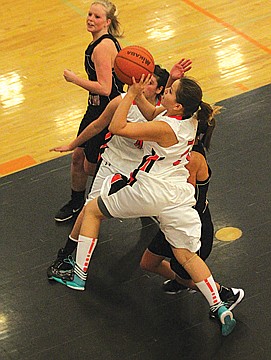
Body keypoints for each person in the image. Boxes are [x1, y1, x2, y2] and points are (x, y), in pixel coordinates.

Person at [49, 74, 237, 336]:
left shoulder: (166, 128)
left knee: (92, 210)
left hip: (153, 189)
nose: (166, 93)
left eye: (170, 91)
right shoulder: (190, 118)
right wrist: (136, 92)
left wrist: (128, 96)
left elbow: (117, 127)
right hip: (177, 195)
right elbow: (151, 113)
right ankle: (220, 306)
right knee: (186, 255)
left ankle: (78, 275)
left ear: (177, 106)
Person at [48, 64, 171, 277]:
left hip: (140, 170)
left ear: (160, 90)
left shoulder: (162, 113)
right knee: (89, 209)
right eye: (143, 80)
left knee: (164, 207)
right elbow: (98, 125)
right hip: (113, 163)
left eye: (150, 83)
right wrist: (72, 144)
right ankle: (67, 255)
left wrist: (175, 78)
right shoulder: (121, 101)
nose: (143, 86)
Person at [140, 131, 245, 316]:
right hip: (174, 223)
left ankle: (225, 294)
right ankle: (182, 281)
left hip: (190, 226)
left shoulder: (191, 158)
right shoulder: (185, 150)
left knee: (183, 270)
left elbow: (183, 198)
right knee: (148, 263)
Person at [54, 1, 124, 223]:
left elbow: (105, 88)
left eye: (97, 16)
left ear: (107, 22)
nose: (91, 19)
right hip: (94, 107)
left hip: (106, 109)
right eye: (90, 14)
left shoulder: (103, 47)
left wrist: (75, 79)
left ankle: (129, 193)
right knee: (78, 157)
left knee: (90, 164)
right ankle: (76, 202)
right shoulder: (99, 43)